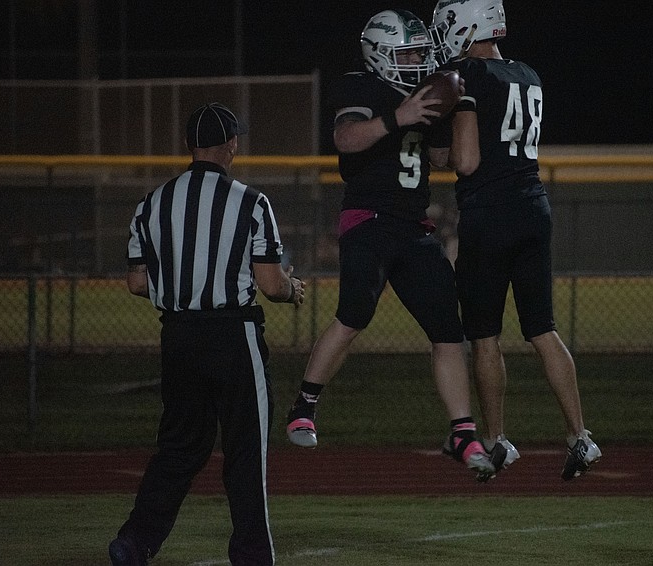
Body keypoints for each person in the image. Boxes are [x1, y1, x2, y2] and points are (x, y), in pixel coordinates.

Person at [283, 9, 499, 481]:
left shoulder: (421, 94)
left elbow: (443, 158)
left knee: (448, 330)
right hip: (368, 219)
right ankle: (305, 406)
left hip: (415, 226)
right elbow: (346, 137)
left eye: (421, 52)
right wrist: (397, 117)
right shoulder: (361, 86)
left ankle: (462, 431)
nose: (418, 60)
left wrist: (461, 108)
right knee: (354, 313)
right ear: (380, 54)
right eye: (409, 53)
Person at [109, 102, 305, 566]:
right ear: (232, 145)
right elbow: (272, 284)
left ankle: (135, 541)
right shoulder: (251, 202)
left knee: (178, 447)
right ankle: (253, 554)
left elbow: (137, 282)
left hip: (177, 337)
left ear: (188, 147)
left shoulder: (151, 203)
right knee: (244, 449)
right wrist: (292, 289)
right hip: (232, 335)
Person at [426, 0, 601, 480]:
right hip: (533, 206)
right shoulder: (528, 73)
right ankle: (580, 437)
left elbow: (463, 161)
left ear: (465, 25)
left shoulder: (466, 75)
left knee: (484, 336)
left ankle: (497, 439)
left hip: (489, 213)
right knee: (543, 329)